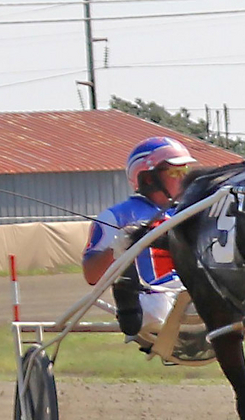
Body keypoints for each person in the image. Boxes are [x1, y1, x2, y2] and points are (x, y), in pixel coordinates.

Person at [82, 136, 196, 336]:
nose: (183, 178)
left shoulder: (192, 211)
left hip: (191, 297)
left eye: (186, 171)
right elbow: (91, 275)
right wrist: (116, 249)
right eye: (176, 171)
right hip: (153, 304)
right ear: (149, 178)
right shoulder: (117, 216)